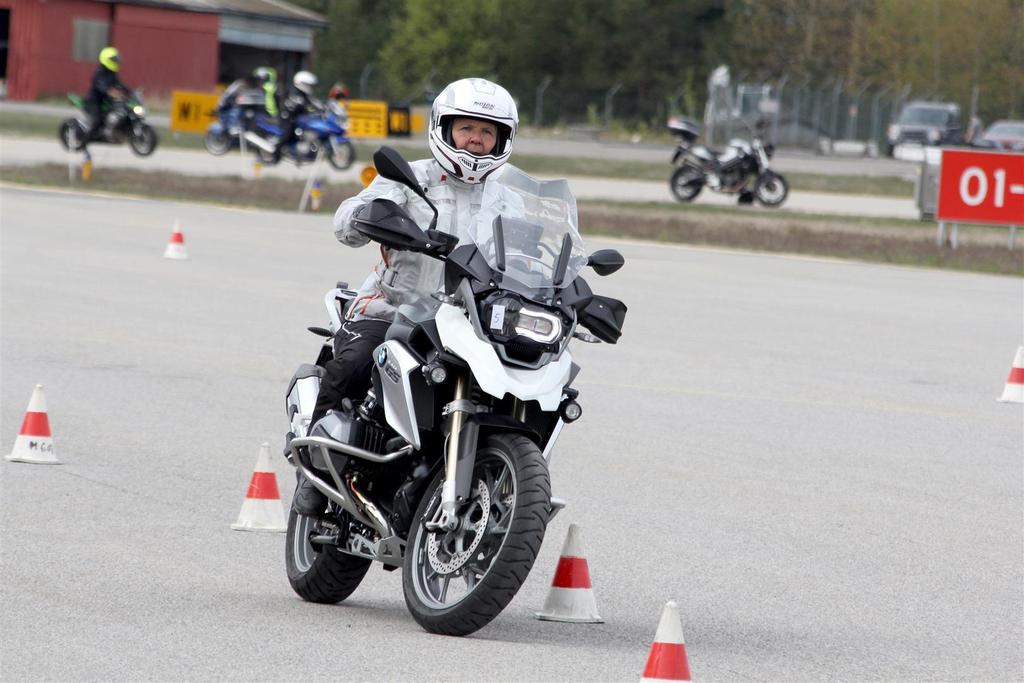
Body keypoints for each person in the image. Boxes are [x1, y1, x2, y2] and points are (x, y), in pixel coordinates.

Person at [294, 77, 519, 514]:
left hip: (472, 322)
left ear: (501, 139)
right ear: (445, 128)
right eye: (466, 128)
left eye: (487, 132)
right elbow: (344, 223)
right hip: (395, 305)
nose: (475, 139)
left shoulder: (508, 198)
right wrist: (374, 218)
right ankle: (316, 467)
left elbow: (540, 251)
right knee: (356, 363)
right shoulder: (411, 176)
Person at [84, 47, 129, 144]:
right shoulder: (100, 73)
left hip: (107, 101)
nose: (116, 62)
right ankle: (85, 139)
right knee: (97, 121)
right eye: (114, 60)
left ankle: (114, 132)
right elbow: (102, 86)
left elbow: (119, 84)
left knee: (124, 112)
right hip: (95, 101)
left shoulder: (112, 73)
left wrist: (130, 92)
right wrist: (111, 92)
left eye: (116, 59)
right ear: (106, 59)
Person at [274, 70, 322, 158]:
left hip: (298, 120)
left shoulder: (305, 96)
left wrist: (322, 109)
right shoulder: (295, 95)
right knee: (288, 133)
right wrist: (311, 111)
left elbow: (315, 104)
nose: (311, 87)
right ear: (303, 84)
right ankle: (276, 152)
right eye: (310, 85)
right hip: (288, 119)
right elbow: (300, 107)